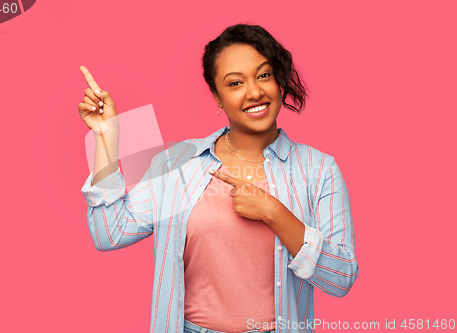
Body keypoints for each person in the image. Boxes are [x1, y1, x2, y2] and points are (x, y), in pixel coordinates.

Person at [79, 23, 359, 333]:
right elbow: (110, 233)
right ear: (217, 97)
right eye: (235, 82)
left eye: (264, 75)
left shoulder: (318, 169)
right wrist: (106, 139)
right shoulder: (178, 164)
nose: (254, 92)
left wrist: (274, 213)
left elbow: (341, 277)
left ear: (280, 81)